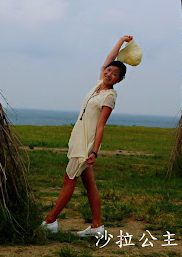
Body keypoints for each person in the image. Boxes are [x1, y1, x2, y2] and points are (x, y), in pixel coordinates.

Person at [41, 35, 132, 237]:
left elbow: (101, 126)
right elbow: (109, 59)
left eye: (114, 73)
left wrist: (94, 151)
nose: (109, 73)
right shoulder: (98, 86)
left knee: (69, 180)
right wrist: (120, 41)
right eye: (108, 70)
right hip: (78, 139)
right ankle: (97, 227)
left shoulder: (109, 96)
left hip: (86, 145)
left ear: (119, 79)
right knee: (89, 185)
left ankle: (50, 221)